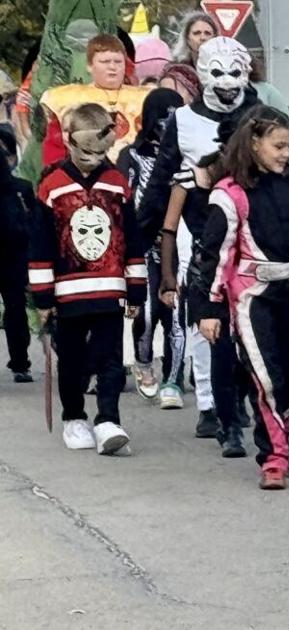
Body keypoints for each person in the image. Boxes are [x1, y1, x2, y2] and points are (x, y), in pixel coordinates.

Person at [193, 105, 289, 490]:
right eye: (279, 146)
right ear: (255, 144)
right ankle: (274, 456)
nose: (287, 153)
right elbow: (215, 254)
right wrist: (210, 309)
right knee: (266, 377)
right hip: (251, 295)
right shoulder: (229, 193)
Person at [142, 36, 260, 446]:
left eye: (235, 71)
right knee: (205, 324)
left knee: (250, 325)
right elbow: (161, 183)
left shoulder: (261, 115)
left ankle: (242, 398)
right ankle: (211, 405)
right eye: (218, 71)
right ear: (201, 71)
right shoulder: (183, 120)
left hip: (252, 237)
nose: (227, 82)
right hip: (200, 233)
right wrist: (139, 238)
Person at [27, 103, 146, 455]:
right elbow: (41, 243)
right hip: (67, 292)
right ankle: (74, 416)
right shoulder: (52, 185)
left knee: (111, 356)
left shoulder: (117, 185)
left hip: (111, 289)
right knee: (74, 358)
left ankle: (108, 419)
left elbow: (132, 238)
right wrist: (43, 299)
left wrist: (136, 290)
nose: (93, 159)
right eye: (85, 151)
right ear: (69, 142)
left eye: (100, 152)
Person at [116, 88, 187, 407]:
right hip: (143, 244)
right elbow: (123, 201)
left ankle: (173, 376)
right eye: (163, 120)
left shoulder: (187, 157)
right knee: (146, 310)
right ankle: (144, 365)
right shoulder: (132, 157)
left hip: (178, 242)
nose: (167, 127)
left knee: (176, 312)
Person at [38, 33, 150, 168]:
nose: (112, 67)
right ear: (90, 66)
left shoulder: (146, 98)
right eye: (105, 62)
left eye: (118, 62)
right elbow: (54, 149)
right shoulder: (67, 98)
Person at [0, 127, 35, 383]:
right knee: (15, 309)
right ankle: (20, 363)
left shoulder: (22, 188)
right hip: (14, 257)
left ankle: (21, 361)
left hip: (14, 256)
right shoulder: (20, 187)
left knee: (15, 310)